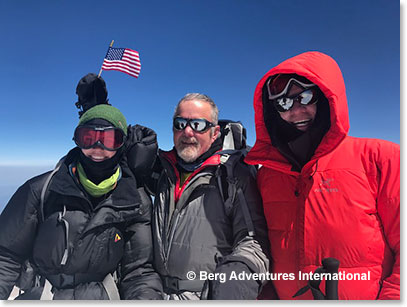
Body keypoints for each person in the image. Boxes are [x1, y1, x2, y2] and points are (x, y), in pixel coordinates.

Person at [245, 51, 400, 300]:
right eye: (283, 104)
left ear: (328, 98)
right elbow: (264, 250)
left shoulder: (381, 158)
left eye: (305, 97)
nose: (296, 111)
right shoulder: (267, 175)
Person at [0, 104, 163, 300]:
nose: (97, 148)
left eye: (109, 139)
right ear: (77, 141)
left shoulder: (134, 201)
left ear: (121, 145)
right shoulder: (42, 190)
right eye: (88, 138)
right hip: (42, 297)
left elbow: (139, 271)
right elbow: (6, 255)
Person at [149, 93, 270, 300]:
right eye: (180, 123)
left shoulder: (232, 175)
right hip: (156, 294)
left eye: (197, 124)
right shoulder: (161, 170)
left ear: (214, 133)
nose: (187, 132)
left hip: (206, 296)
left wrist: (239, 274)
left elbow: (253, 241)